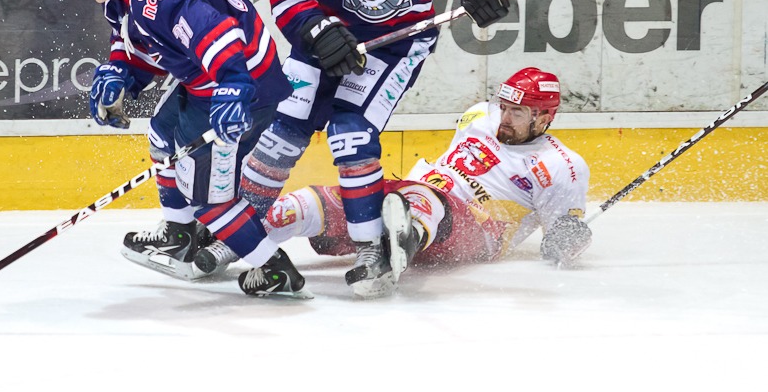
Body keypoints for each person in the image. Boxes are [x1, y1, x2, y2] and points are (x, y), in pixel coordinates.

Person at [198, 0, 511, 299]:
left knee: (351, 134)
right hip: (323, 40)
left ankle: (370, 250)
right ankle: (241, 231)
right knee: (283, 132)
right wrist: (316, 28)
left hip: (394, 46)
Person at [65, 0, 310, 298]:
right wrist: (121, 73)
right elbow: (137, 42)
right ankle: (179, 234)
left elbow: (218, 33)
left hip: (242, 84)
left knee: (209, 202)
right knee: (162, 134)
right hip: (207, 78)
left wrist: (233, 86)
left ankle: (275, 269)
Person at [197, 67, 593, 284]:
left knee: (421, 200)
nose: (504, 117)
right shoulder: (478, 116)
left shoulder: (562, 165)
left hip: (480, 229)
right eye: (503, 106)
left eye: (517, 113)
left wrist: (570, 238)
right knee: (312, 202)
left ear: (545, 117)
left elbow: (560, 237)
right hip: (412, 195)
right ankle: (227, 246)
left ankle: (396, 249)